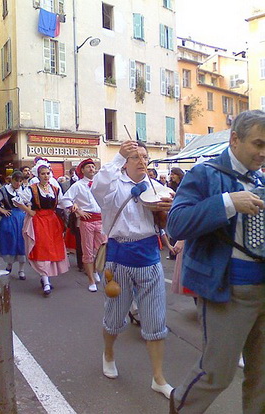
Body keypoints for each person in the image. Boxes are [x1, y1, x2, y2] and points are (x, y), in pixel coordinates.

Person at [167, 109, 265, 414]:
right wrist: (227, 203)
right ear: (235, 139)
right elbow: (176, 224)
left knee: (262, 378)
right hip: (226, 290)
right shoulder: (204, 173)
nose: (263, 153)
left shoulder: (260, 179)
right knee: (216, 373)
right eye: (258, 144)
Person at [91, 141, 174, 398]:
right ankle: (108, 354)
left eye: (144, 157)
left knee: (156, 320)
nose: (141, 160)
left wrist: (168, 211)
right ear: (126, 161)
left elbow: (172, 218)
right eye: (135, 157)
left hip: (149, 259)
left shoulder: (157, 187)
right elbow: (96, 187)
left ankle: (158, 377)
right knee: (114, 317)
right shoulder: (113, 185)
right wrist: (118, 157)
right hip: (118, 260)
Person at [14, 159, 69, 296]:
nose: (46, 176)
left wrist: (74, 207)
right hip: (38, 221)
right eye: (43, 173)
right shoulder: (32, 189)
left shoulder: (55, 189)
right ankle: (45, 280)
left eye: (47, 173)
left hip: (52, 221)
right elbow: (16, 200)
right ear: (38, 175)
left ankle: (46, 278)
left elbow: (63, 202)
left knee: (51, 249)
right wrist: (29, 211)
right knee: (41, 249)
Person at [60, 158, 107, 292]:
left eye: (93, 167)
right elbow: (64, 201)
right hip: (87, 221)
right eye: (88, 167)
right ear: (82, 170)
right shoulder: (78, 185)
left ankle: (96, 270)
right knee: (87, 251)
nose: (92, 169)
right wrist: (78, 210)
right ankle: (91, 280)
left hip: (101, 220)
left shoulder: (100, 184)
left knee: (102, 249)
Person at [0, 171, 27, 280]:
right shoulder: (3, 190)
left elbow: (30, 201)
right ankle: (9, 264)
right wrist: (2, 210)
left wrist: (28, 209)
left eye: (20, 181)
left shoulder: (25, 190)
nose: (18, 183)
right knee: (10, 241)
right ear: (12, 180)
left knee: (22, 242)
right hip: (10, 218)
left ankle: (21, 270)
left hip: (22, 217)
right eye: (17, 181)